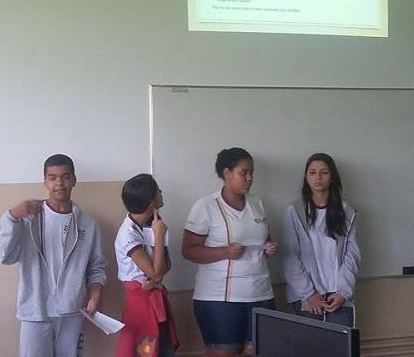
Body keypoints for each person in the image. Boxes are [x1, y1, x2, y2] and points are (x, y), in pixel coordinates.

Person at [0, 154, 107, 357]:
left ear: (74, 180)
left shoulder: (87, 224)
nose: (59, 183)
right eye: (52, 177)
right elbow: (5, 256)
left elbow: (96, 266)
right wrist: (11, 217)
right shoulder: (29, 218)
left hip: (71, 311)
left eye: (65, 177)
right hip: (35, 310)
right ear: (45, 182)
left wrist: (96, 293)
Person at [182, 147, 278, 357]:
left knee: (259, 350)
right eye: (244, 172)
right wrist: (224, 252)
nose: (250, 178)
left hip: (260, 292)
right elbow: (188, 251)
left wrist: (269, 247)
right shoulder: (206, 206)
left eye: (252, 172)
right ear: (227, 173)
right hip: (219, 298)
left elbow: (264, 238)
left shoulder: (257, 203)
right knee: (227, 353)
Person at [283, 153, 361, 327]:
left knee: (341, 342)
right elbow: (290, 256)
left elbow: (352, 254)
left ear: (332, 177)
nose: (317, 177)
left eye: (324, 172)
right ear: (306, 177)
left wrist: (343, 292)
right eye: (312, 172)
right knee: (311, 342)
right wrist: (308, 294)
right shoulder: (295, 210)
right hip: (307, 295)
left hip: (338, 293)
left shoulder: (347, 211)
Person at [114, 173, 179, 357]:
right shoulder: (128, 233)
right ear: (151, 201)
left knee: (163, 347)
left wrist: (155, 276)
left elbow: (165, 267)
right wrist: (158, 237)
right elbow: (156, 273)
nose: (161, 192)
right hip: (140, 303)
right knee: (145, 350)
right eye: (158, 190)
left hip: (155, 296)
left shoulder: (153, 224)